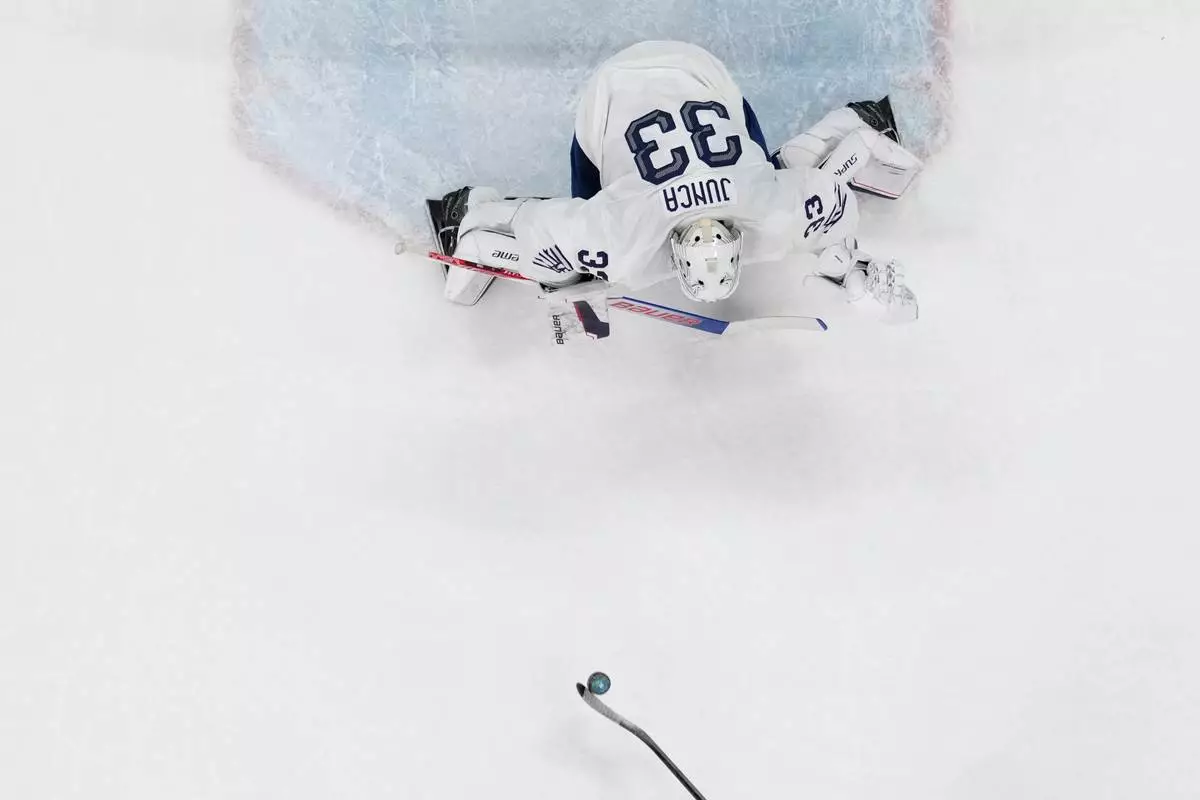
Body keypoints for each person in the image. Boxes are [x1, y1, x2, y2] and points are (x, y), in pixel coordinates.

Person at [432, 40, 922, 323]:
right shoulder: (622, 238)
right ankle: (466, 211)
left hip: (678, 76)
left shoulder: (769, 210)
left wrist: (845, 263)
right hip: (654, 83)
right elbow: (829, 198)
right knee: (572, 259)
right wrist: (567, 282)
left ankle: (862, 118)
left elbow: (831, 198)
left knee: (765, 175)